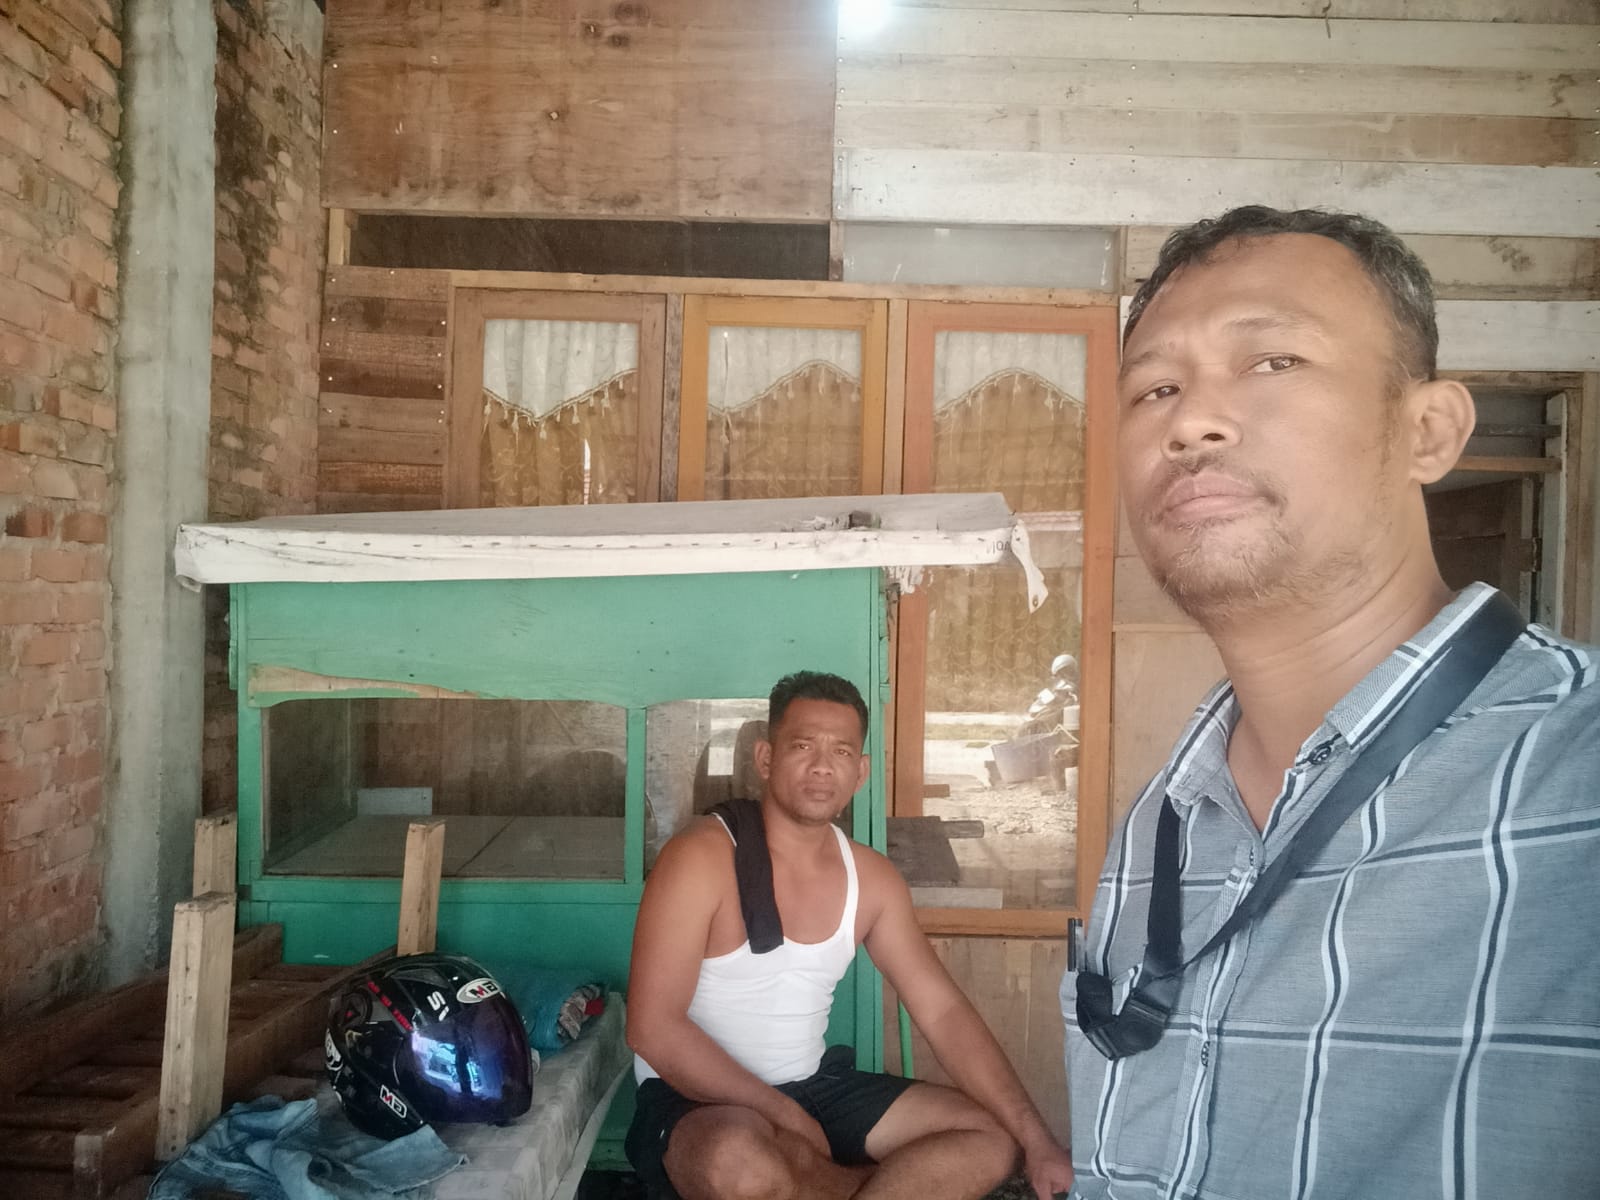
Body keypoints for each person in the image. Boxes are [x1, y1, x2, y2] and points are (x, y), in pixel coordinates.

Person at [1061, 205, 1600, 1199]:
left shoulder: (1576, 784)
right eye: (1155, 388)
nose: (1189, 421)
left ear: (1427, 432)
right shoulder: (1159, 826)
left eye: (1272, 361)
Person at [627, 670, 1074, 1200]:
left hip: (814, 1086)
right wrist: (782, 1115)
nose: (822, 766)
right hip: (694, 1098)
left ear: (860, 772)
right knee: (739, 1162)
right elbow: (652, 1029)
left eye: (841, 751)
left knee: (989, 1141)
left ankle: (812, 1183)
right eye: (803, 746)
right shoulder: (700, 857)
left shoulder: (871, 879)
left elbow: (942, 1011)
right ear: (765, 759)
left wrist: (1036, 1138)